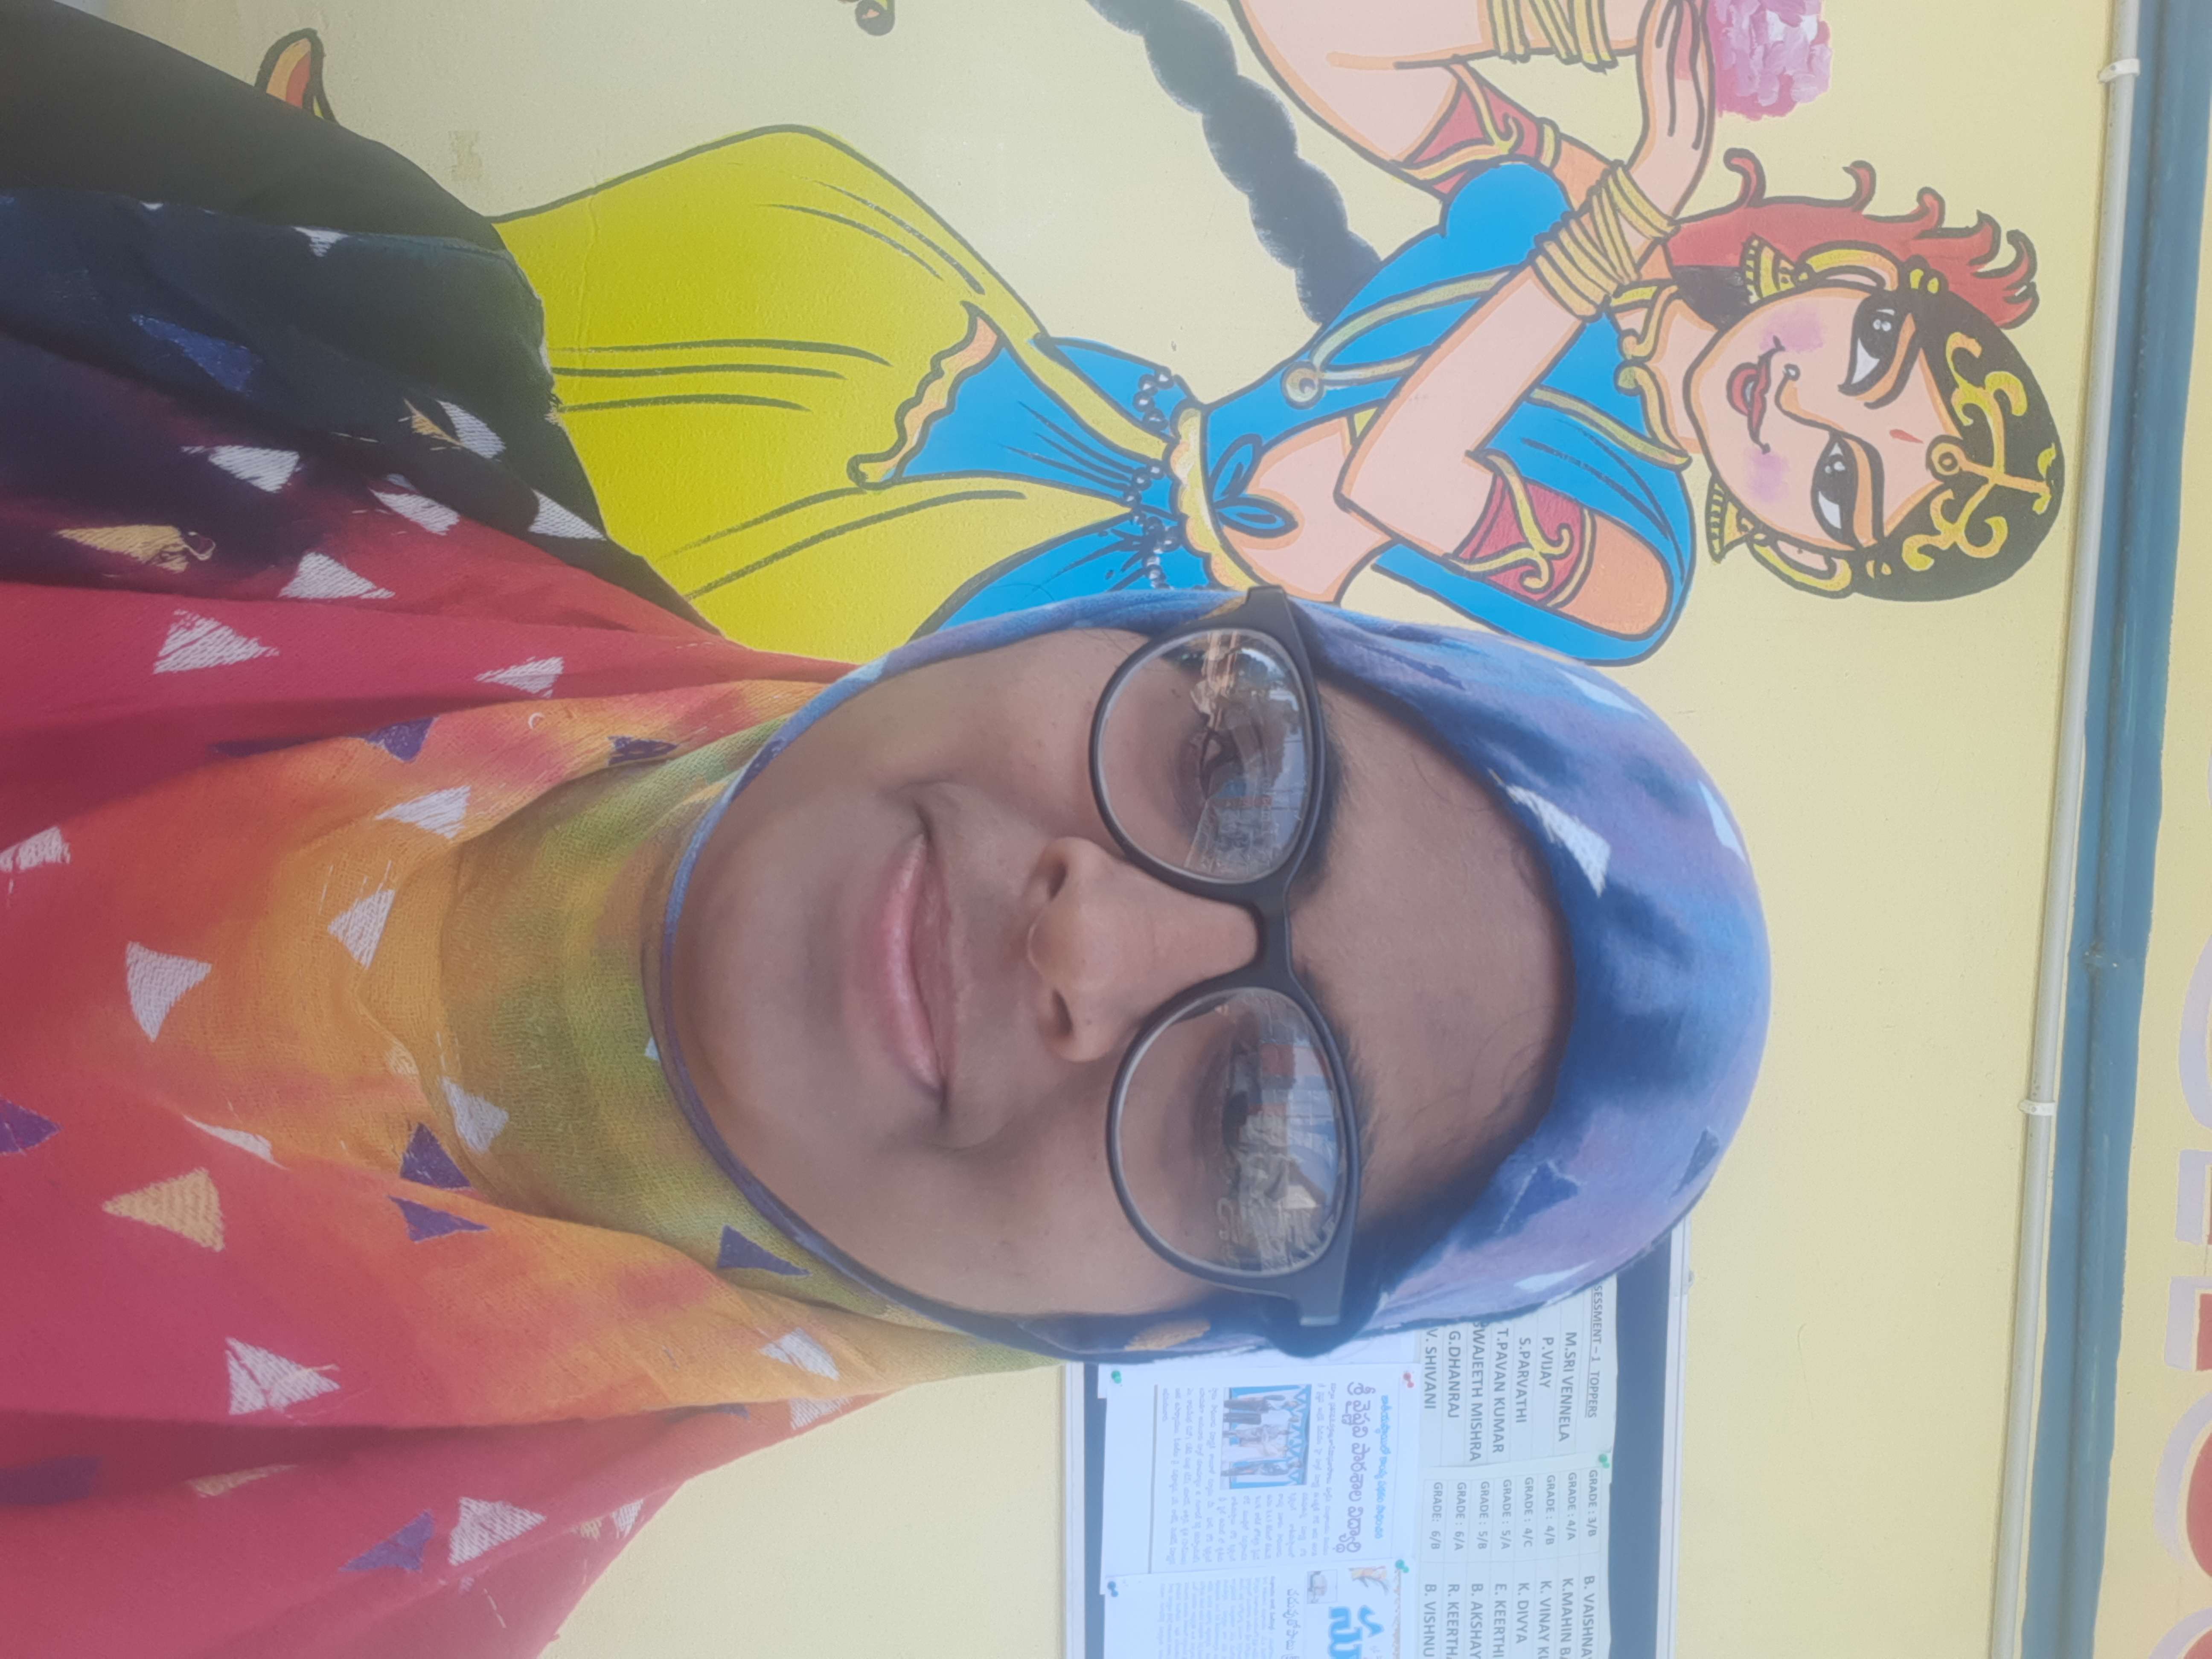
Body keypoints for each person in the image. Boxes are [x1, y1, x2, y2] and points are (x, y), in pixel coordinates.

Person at [0, 5, 1767, 1654]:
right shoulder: (336, 323)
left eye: (1256, 1133)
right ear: (1118, 628)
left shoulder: (314, 1624)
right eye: (1234, 767)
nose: (1091, 939)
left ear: (1138, 1332)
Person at [486, 0, 2063, 666]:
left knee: (651, 589)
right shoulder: (1600, 212)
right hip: (1074, 419)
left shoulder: (1638, 569)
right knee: (771, 232)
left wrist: (1632, 204)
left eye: (1843, 482)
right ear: (1849, 279)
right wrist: (1579, 24)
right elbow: (1321, 35)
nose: (1806, 409)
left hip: (1098, 606)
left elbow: (1396, 474)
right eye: (1870, 357)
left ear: (1807, 553)